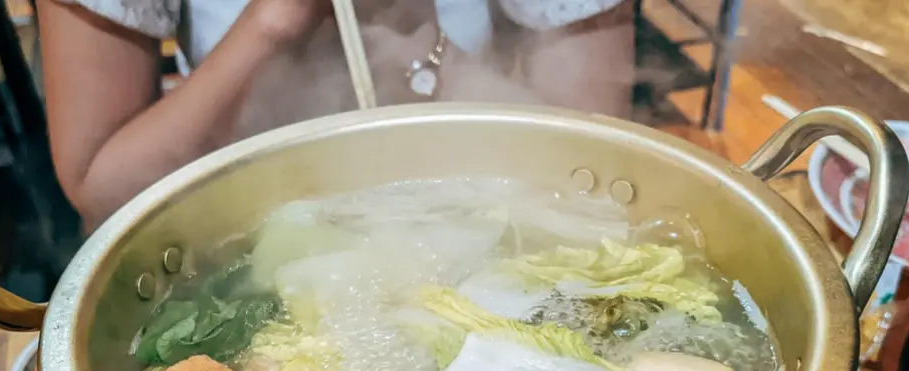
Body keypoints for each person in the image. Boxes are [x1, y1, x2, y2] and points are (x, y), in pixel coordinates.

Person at [37, 0, 633, 231]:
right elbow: (103, 189)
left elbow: (588, 175)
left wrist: (415, 42)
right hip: (233, 229)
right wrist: (275, 22)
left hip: (484, 220)